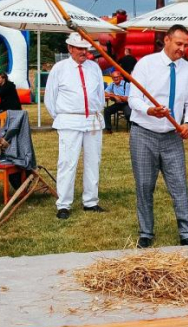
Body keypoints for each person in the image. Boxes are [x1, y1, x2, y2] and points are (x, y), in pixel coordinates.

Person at [128, 24, 188, 248]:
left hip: (172, 136)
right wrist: (150, 110)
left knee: (179, 185)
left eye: (186, 45)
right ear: (166, 40)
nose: (182, 49)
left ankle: (186, 233)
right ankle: (146, 232)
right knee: (144, 185)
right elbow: (134, 99)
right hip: (144, 134)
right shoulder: (146, 64)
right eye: (179, 44)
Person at [44, 33, 106, 220]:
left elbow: (100, 95)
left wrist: (95, 111)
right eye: (79, 48)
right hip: (69, 120)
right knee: (67, 162)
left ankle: (91, 201)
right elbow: (50, 98)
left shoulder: (94, 68)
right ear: (70, 48)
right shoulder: (59, 68)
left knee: (93, 161)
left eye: (85, 48)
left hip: (92, 121)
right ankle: (64, 204)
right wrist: (63, 116)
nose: (83, 52)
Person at [103, 69, 131, 134]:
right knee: (106, 110)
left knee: (128, 114)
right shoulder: (112, 84)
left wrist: (115, 96)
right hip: (117, 104)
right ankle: (108, 129)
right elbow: (104, 93)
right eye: (114, 77)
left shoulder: (126, 85)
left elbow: (126, 99)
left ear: (120, 77)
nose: (115, 79)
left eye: (117, 77)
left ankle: (132, 129)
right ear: (112, 78)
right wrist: (114, 96)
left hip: (125, 104)